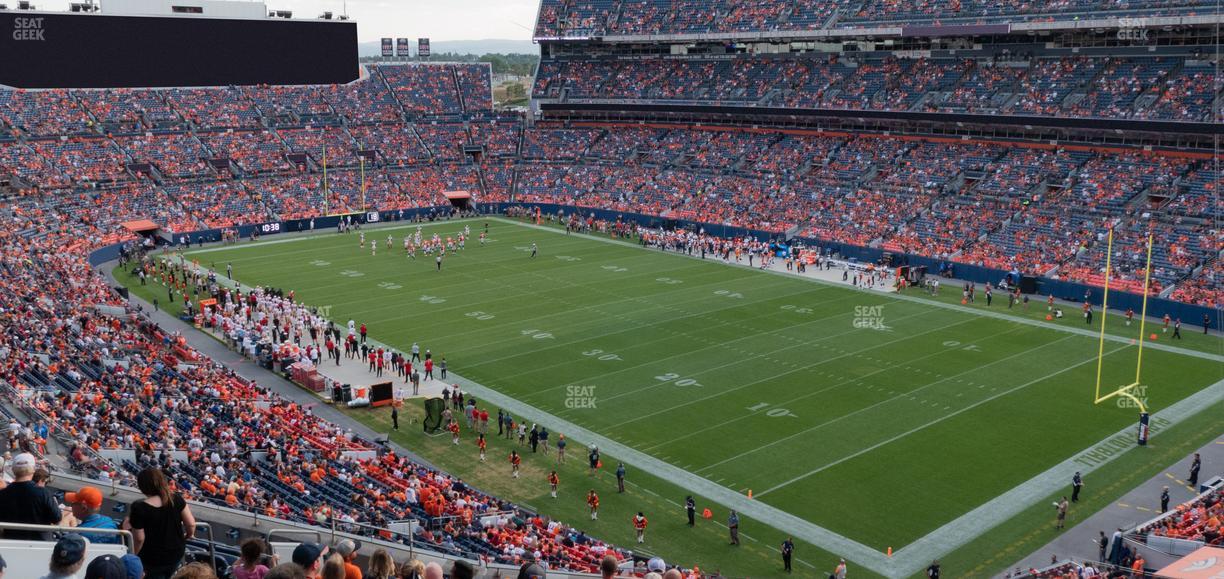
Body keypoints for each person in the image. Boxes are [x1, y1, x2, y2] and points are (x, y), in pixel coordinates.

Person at [125, 467, 196, 579]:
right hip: (176, 553)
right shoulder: (176, 499)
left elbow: (139, 539)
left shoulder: (139, 508)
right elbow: (191, 524)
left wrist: (133, 556)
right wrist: (189, 535)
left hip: (151, 559)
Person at [0, 452, 62, 539]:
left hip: (11, 542)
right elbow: (57, 518)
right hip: (40, 543)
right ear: (33, 469)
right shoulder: (43, 492)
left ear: (13, 470)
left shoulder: (3, 493)